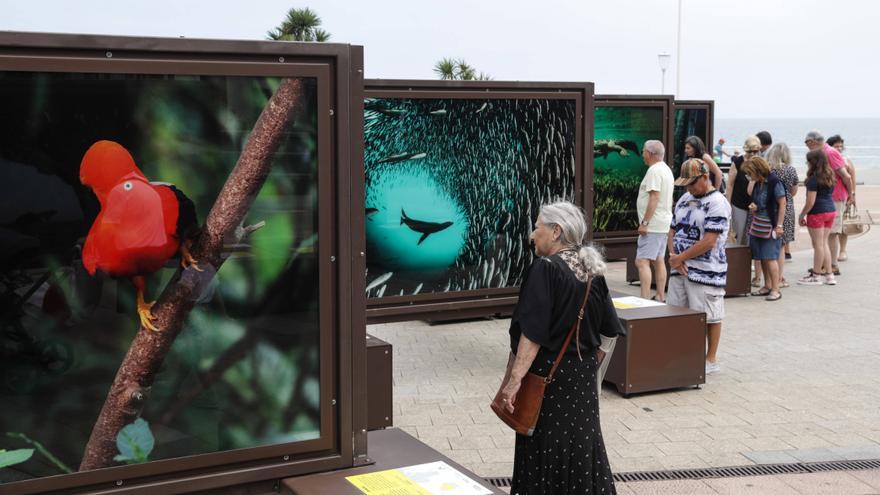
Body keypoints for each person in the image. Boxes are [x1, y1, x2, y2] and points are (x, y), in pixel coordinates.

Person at [503, 201, 624, 494]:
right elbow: (610, 332)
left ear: (556, 231)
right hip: (581, 380)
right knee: (583, 449)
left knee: (544, 447)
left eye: (537, 227)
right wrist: (590, 369)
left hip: (547, 380)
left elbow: (531, 336)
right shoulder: (591, 269)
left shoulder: (545, 269)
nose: (533, 235)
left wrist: (513, 381)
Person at [668, 159, 731, 375]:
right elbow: (673, 228)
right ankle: (684, 354)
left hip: (707, 270)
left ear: (705, 177)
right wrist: (675, 256)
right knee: (678, 312)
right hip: (681, 268)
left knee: (710, 315)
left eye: (692, 184)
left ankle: (710, 359)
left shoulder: (718, 203)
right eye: (686, 185)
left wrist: (680, 258)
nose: (689, 189)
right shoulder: (685, 198)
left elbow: (710, 240)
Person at [804, 130, 854, 277]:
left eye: (806, 142)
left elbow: (846, 176)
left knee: (830, 234)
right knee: (826, 236)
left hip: (835, 197)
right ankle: (825, 265)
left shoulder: (829, 152)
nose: (806, 146)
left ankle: (832, 266)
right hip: (828, 198)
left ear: (812, 141)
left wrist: (851, 195)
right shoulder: (822, 153)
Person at [742, 156, 786, 301]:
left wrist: (779, 225)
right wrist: (754, 206)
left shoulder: (773, 181)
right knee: (762, 257)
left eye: (750, 173)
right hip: (758, 223)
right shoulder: (758, 182)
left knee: (770, 257)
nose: (749, 176)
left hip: (770, 224)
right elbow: (752, 196)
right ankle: (767, 286)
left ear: (757, 170)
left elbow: (782, 204)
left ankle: (776, 288)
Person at [635, 140, 674, 302]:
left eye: (643, 151)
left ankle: (643, 299)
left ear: (650, 153)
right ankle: (659, 295)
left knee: (641, 261)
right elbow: (669, 198)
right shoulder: (666, 169)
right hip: (663, 223)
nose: (642, 154)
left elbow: (654, 196)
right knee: (658, 260)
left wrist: (645, 223)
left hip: (653, 225)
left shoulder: (654, 171)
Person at [797, 149, 837, 286]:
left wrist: (802, 215)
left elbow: (810, 202)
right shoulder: (829, 175)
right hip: (831, 211)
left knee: (818, 245)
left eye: (808, 161)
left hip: (817, 213)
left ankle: (816, 275)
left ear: (812, 162)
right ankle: (830, 275)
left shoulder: (813, 180)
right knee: (824, 243)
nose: (807, 164)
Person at [766, 143, 798, 287]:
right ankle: (778, 278)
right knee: (781, 245)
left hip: (769, 208)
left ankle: (769, 280)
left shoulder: (768, 169)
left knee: (769, 244)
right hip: (787, 208)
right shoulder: (791, 170)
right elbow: (794, 191)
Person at [827, 135, 857, 262]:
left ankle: (843, 250)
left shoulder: (846, 160)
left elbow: (852, 178)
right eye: (836, 146)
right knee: (830, 227)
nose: (839, 148)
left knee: (843, 225)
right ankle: (829, 252)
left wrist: (853, 195)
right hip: (827, 196)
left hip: (842, 196)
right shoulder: (827, 159)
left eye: (841, 146)